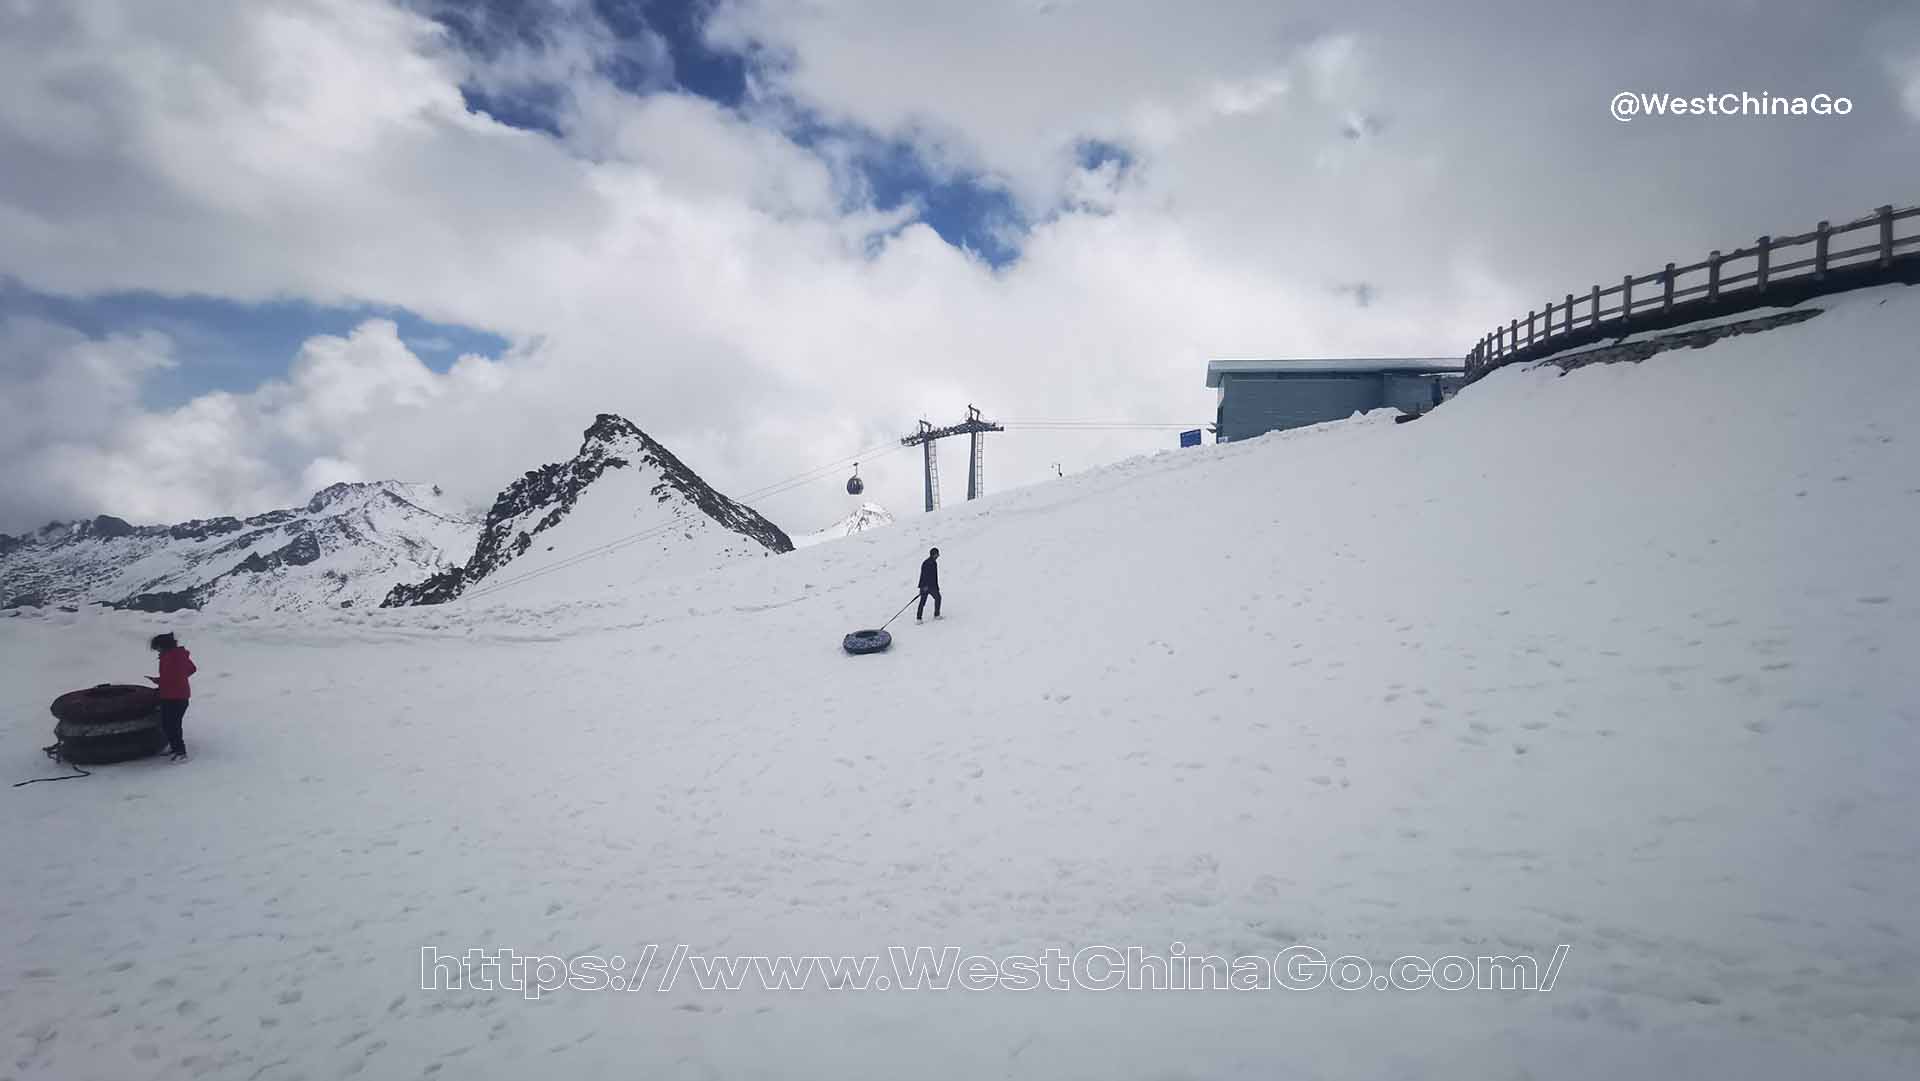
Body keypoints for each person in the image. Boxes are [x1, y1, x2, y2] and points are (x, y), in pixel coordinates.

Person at [146, 632, 197, 761]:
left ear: (163, 646)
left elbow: (170, 678)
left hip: (172, 697)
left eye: (157, 647)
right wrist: (180, 679)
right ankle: (174, 747)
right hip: (181, 695)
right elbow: (192, 669)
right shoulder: (180, 655)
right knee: (169, 724)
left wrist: (158, 681)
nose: (156, 650)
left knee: (171, 725)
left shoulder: (168, 657)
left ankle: (180, 752)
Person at [916, 546, 941, 621]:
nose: (938, 555)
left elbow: (934, 577)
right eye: (937, 554)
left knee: (938, 598)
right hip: (926, 586)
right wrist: (923, 586)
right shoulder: (927, 563)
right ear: (934, 554)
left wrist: (937, 587)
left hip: (932, 586)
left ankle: (936, 615)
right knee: (923, 602)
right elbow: (923, 575)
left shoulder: (933, 562)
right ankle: (919, 618)